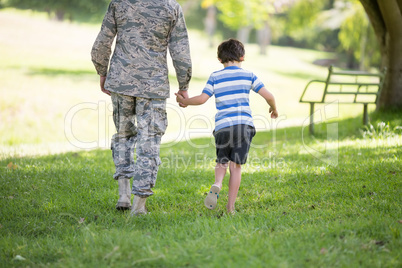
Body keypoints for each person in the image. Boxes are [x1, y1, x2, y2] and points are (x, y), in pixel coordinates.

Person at [91, 0, 192, 216]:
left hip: (121, 82)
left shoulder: (119, 3)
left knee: (124, 135)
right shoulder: (171, 7)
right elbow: (180, 50)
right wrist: (184, 85)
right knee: (149, 141)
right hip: (153, 87)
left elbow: (102, 42)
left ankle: (124, 195)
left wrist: (102, 72)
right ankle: (139, 205)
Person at [175, 39, 278, 214]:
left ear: (219, 59)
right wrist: (273, 108)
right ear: (242, 57)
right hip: (244, 126)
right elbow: (269, 95)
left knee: (222, 161)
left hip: (223, 127)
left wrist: (185, 102)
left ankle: (217, 183)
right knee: (236, 166)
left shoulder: (215, 76)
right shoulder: (249, 75)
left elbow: (201, 99)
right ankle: (230, 208)